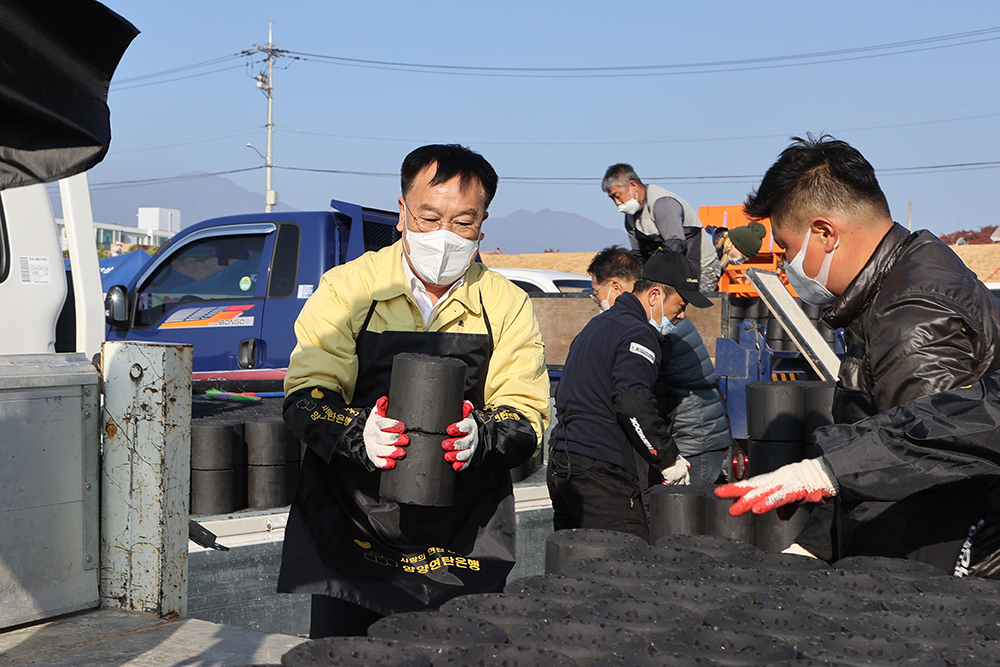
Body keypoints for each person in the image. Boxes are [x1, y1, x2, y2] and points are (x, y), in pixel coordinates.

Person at [278, 144, 551, 637]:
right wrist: (359, 432)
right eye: (429, 217)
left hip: (461, 534)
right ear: (402, 213)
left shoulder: (506, 303)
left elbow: (526, 414)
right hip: (354, 523)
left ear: (483, 225)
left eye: (463, 223)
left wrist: (481, 437)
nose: (444, 236)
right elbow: (306, 394)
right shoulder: (349, 289)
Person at [742, 133, 1000, 567]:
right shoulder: (903, 277)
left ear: (824, 233)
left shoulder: (911, 316)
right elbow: (875, 442)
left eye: (786, 248)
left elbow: (925, 471)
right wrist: (816, 544)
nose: (786, 267)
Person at [717, 371, 1000, 577]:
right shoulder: (879, 315)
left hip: (935, 532)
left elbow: (946, 434)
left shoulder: (911, 311)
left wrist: (829, 471)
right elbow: (913, 418)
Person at [547, 249, 712, 540]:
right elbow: (632, 402)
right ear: (655, 296)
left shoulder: (598, 325)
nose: (682, 315)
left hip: (563, 464)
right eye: (680, 304)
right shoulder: (638, 333)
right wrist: (667, 458)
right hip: (601, 474)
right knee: (625, 562)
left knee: (574, 564)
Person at [588, 246, 731, 486]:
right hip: (698, 435)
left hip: (691, 441)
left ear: (615, 287)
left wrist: (662, 453)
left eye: (596, 293)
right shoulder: (652, 321)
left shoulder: (653, 328)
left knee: (681, 517)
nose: (596, 301)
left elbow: (652, 396)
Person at [602, 163, 720, 290]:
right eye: (612, 198)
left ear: (633, 185)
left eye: (617, 196)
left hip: (701, 268)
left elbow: (676, 247)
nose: (617, 203)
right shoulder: (630, 217)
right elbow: (639, 256)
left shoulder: (663, 204)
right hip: (672, 269)